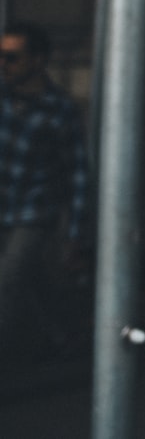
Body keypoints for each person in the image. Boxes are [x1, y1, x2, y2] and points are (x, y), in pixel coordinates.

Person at [0, 21, 89, 363]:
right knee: (31, 278)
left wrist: (76, 235)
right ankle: (65, 333)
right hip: (3, 206)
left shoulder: (59, 109)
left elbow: (78, 172)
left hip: (32, 213)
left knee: (8, 282)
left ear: (37, 61)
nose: (3, 65)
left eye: (11, 58)